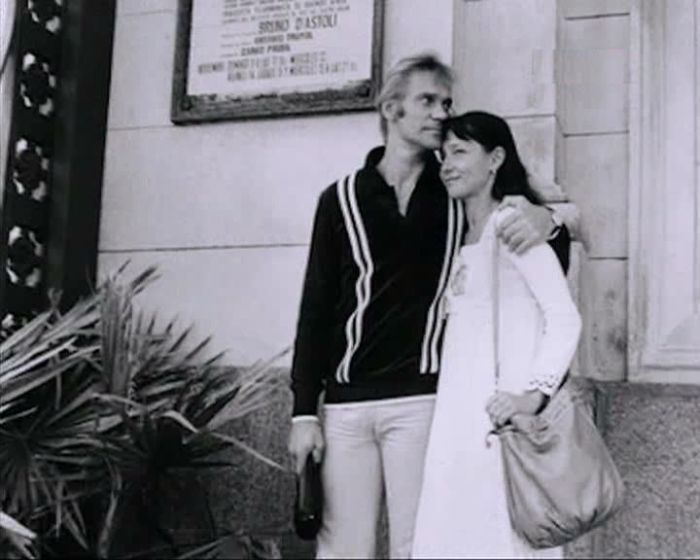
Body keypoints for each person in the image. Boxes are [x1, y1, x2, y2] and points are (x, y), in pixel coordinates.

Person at [287, 54, 570, 559]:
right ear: (391, 109)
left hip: (421, 403)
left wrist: (550, 218)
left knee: (418, 548)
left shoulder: (457, 192)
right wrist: (303, 412)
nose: (442, 113)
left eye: (447, 102)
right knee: (342, 551)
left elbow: (543, 233)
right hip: (346, 406)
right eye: (428, 101)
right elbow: (315, 310)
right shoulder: (340, 198)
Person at [411, 111, 582, 559]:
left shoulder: (511, 225)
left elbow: (564, 318)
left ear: (495, 159)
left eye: (460, 152)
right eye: (444, 154)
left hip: (500, 420)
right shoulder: (462, 233)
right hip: (458, 421)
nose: (447, 164)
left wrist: (534, 394)